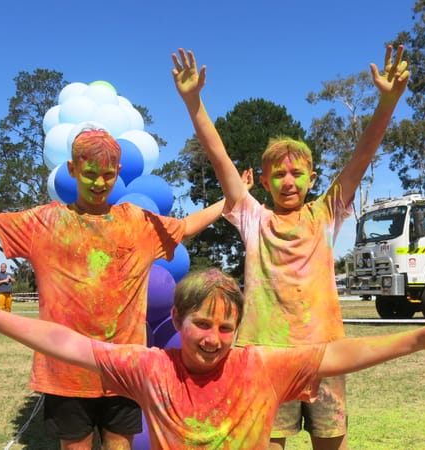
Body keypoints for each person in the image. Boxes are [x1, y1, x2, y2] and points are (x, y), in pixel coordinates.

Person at [0, 129, 226, 450]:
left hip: (125, 369)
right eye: (90, 174)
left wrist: (232, 197)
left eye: (108, 174)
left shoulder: (138, 223)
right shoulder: (44, 222)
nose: (99, 183)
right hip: (66, 372)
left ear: (117, 173)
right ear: (73, 169)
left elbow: (187, 225)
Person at [0, 268, 425, 449]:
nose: (213, 338)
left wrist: (415, 339)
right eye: (202, 324)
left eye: (225, 327)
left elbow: (336, 353)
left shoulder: (260, 365)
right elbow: (65, 343)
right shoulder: (151, 367)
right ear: (180, 321)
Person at [172, 45, 409, 449]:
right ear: (263, 182)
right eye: (278, 174)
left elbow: (361, 158)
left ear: (311, 179)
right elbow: (219, 158)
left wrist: (387, 101)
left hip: (326, 353)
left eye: (297, 173)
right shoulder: (253, 218)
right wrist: (194, 102)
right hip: (265, 354)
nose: (287, 181)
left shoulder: (326, 213)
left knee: (331, 441)